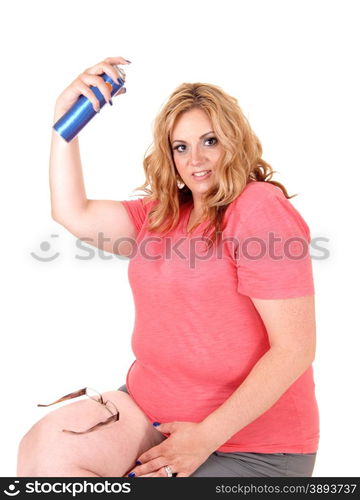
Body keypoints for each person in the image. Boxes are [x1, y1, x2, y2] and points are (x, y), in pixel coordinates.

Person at [16, 56, 319, 478]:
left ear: (234, 141)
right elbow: (73, 212)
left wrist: (204, 438)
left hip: (251, 446)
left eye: (209, 141)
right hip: (149, 415)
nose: (196, 159)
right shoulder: (160, 215)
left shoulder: (259, 208)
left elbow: (294, 350)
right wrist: (64, 120)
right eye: (181, 146)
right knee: (45, 454)